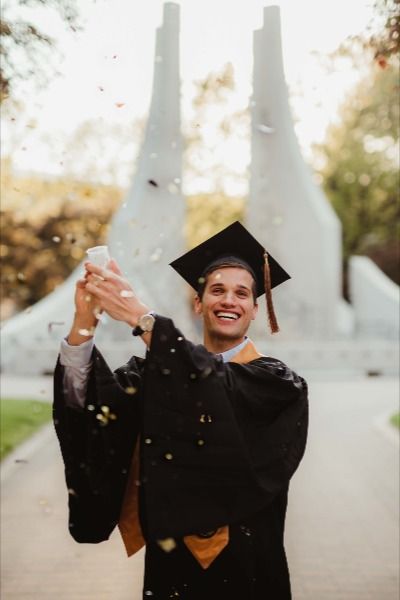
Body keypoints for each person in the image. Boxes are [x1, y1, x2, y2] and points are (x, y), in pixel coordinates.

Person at [53, 221, 308, 600]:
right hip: (172, 564)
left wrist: (143, 318)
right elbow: (87, 407)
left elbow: (217, 384)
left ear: (255, 309)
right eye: (216, 290)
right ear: (198, 303)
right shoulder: (155, 374)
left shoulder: (277, 383)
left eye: (241, 293)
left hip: (251, 564)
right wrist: (84, 323)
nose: (228, 300)